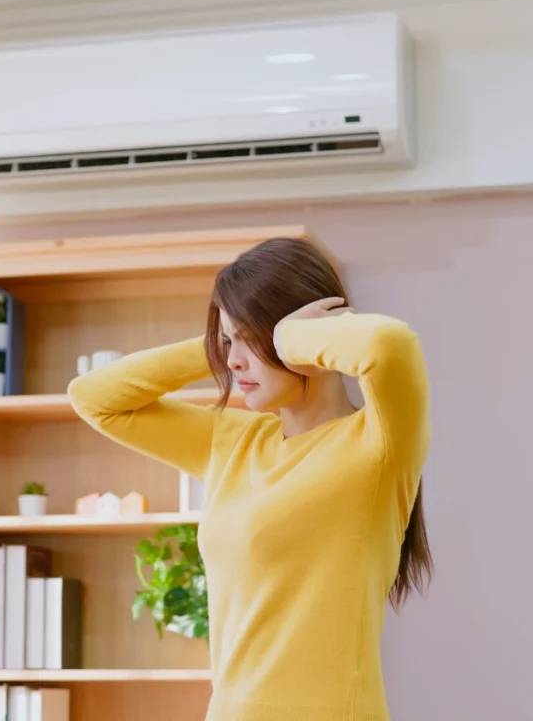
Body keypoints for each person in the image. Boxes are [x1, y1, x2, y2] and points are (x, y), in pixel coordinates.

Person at [67, 236, 432, 721]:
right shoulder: (233, 440)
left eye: (249, 339)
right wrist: (218, 346)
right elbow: (93, 398)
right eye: (227, 342)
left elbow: (389, 346)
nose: (235, 362)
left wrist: (287, 340)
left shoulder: (377, 444)